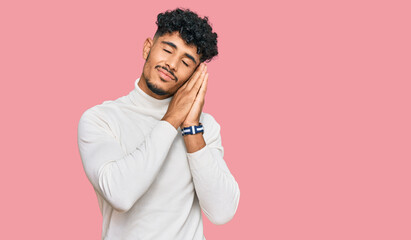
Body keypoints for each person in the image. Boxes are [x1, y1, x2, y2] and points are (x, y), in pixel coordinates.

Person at [77, 8, 240, 239]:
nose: (172, 64)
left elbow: (222, 212)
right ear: (147, 47)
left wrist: (191, 127)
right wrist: (173, 118)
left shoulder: (205, 127)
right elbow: (120, 195)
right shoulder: (101, 119)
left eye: (186, 61)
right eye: (167, 50)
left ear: (195, 74)